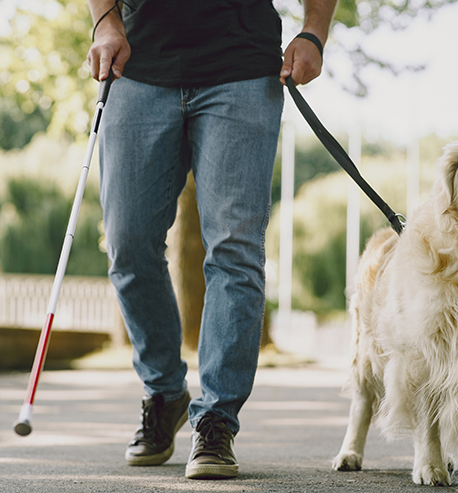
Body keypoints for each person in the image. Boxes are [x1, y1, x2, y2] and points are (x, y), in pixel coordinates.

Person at [86, 0, 336, 480]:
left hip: (241, 69)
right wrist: (104, 21)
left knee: (234, 251)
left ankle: (217, 418)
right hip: (138, 66)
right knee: (128, 245)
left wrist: (314, 32)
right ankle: (164, 393)